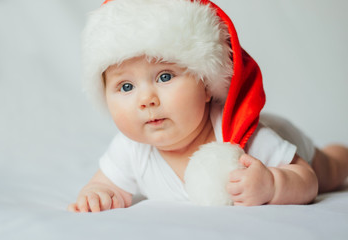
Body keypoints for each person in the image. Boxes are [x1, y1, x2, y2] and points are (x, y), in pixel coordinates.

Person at [68, 0, 348, 212]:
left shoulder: (243, 137)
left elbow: (306, 180)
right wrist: (97, 194)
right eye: (126, 86)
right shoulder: (130, 149)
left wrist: (273, 184)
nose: (146, 100)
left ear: (205, 85)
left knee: (329, 172)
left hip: (285, 137)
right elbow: (104, 184)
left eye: (165, 76)